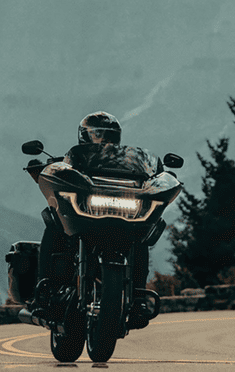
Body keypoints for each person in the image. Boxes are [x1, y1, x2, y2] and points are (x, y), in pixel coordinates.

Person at [34, 112, 155, 317]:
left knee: (140, 238)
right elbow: (63, 169)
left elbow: (147, 173)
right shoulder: (75, 161)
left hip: (119, 217)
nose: (103, 140)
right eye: (97, 134)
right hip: (84, 216)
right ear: (84, 136)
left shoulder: (126, 166)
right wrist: (53, 168)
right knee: (54, 220)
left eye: (109, 135)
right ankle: (44, 291)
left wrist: (155, 175)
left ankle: (139, 297)